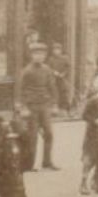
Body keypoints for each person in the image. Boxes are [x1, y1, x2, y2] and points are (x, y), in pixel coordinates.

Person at [18, 42, 61, 170]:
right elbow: (20, 90)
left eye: (42, 54)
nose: (39, 56)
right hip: (32, 107)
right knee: (33, 136)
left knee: (49, 133)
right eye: (36, 54)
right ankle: (29, 164)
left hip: (45, 106)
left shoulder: (47, 69)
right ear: (31, 55)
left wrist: (54, 104)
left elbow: (52, 87)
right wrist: (23, 108)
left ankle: (47, 162)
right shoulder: (26, 71)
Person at [48, 43, 74, 116]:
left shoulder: (65, 58)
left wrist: (63, 74)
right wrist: (54, 72)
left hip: (62, 79)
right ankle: (55, 111)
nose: (56, 51)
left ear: (60, 50)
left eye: (58, 49)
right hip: (54, 79)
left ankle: (68, 110)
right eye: (54, 50)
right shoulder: (51, 59)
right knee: (55, 94)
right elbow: (48, 68)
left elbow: (68, 67)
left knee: (64, 94)